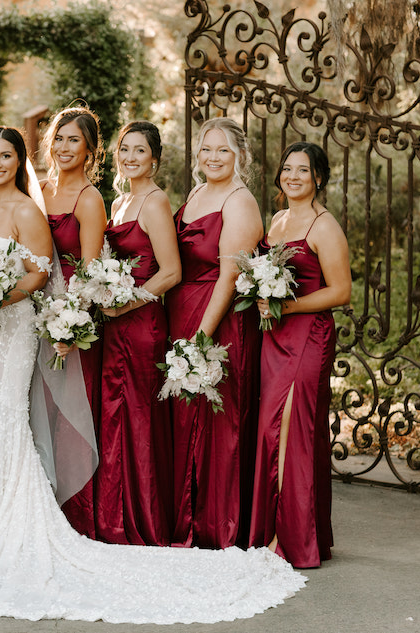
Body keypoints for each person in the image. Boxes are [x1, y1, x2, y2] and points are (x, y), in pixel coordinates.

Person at [0, 126, 306, 625]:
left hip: (28, 323)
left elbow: (55, 269)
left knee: (10, 415)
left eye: (6, 155)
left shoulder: (52, 206)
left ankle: (16, 527)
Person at [248, 142, 351, 568]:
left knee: (293, 427)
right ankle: (279, 529)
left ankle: (292, 539)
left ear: (318, 179)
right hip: (273, 337)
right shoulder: (277, 220)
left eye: (302, 171)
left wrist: (286, 306)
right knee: (271, 429)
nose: (292, 177)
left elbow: (341, 292)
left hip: (309, 335)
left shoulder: (324, 227)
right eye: (287, 169)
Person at [168, 118, 264, 549]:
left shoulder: (240, 202)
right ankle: (184, 515)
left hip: (216, 321)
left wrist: (200, 341)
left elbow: (228, 277)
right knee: (186, 419)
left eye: (222, 150)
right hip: (182, 311)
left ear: (240, 155)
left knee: (216, 420)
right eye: (206, 149)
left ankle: (215, 525)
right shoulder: (197, 193)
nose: (212, 157)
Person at [96, 121, 181, 546]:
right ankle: (115, 520)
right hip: (115, 327)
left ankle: (145, 523)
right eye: (124, 149)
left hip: (143, 324)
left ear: (155, 159)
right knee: (115, 417)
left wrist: (125, 303)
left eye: (140, 151)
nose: (130, 157)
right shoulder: (120, 201)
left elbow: (171, 271)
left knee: (140, 420)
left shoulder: (154, 201)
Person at [34, 106, 106, 537]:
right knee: (35, 409)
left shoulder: (90, 199)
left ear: (90, 150)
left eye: (73, 140)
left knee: (66, 413)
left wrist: (69, 327)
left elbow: (91, 269)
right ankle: (37, 503)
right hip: (29, 313)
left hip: (66, 322)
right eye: (58, 138)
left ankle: (72, 516)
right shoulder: (38, 190)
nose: (63, 147)